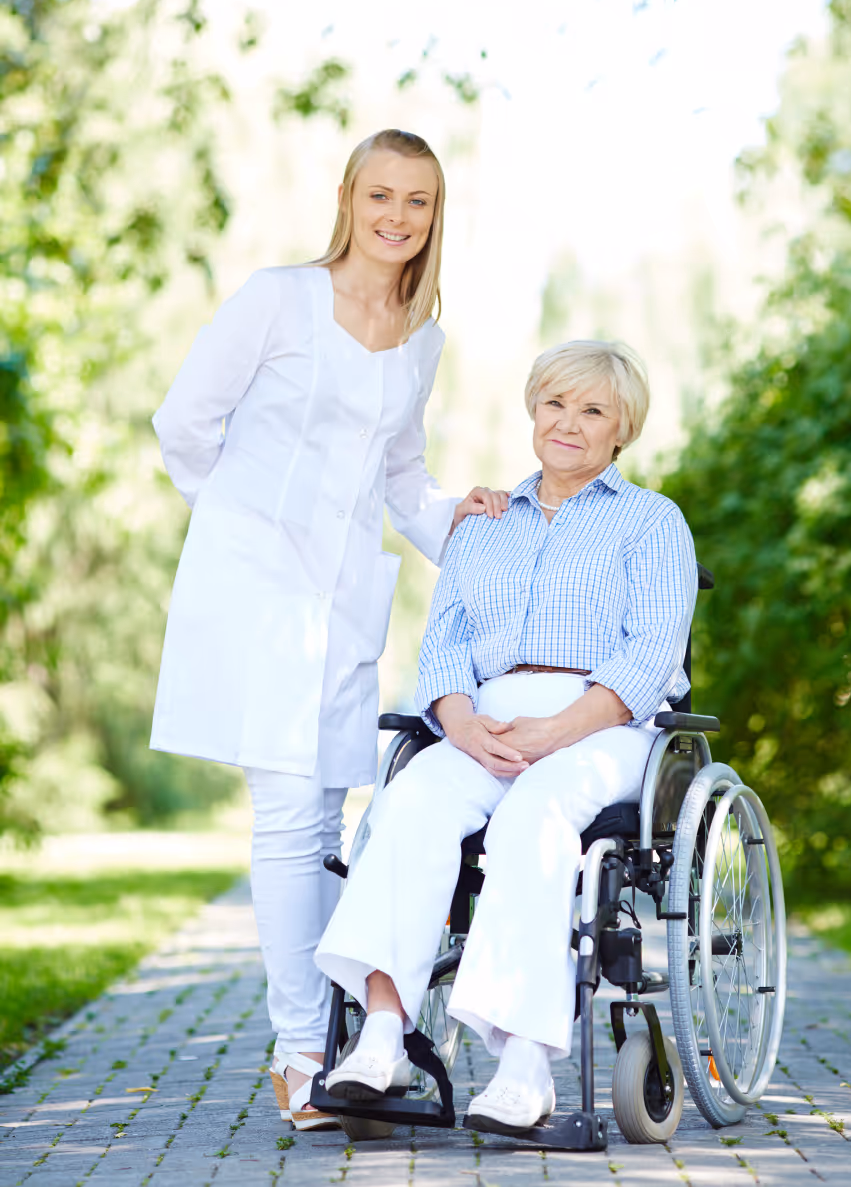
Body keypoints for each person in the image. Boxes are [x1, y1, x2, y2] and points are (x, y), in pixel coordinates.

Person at [149, 128, 507, 1130]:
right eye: (380, 196)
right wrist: (238, 530)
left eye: (419, 203)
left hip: (349, 598)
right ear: (347, 197)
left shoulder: (419, 334)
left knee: (328, 821)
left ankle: (332, 1043)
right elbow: (184, 424)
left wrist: (465, 528)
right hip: (258, 591)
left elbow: (399, 479)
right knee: (284, 814)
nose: (397, 218)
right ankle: (300, 1054)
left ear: (436, 218)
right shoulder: (280, 298)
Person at [314, 338, 698, 1133]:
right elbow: (445, 642)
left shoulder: (652, 522)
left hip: (603, 723)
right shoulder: (483, 523)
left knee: (538, 812)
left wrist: (559, 728)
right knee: (410, 797)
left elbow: (650, 652)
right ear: (533, 409)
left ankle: (526, 1063)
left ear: (621, 429)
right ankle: (384, 1034)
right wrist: (458, 721)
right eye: (555, 403)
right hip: (484, 719)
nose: (568, 423)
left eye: (593, 410)